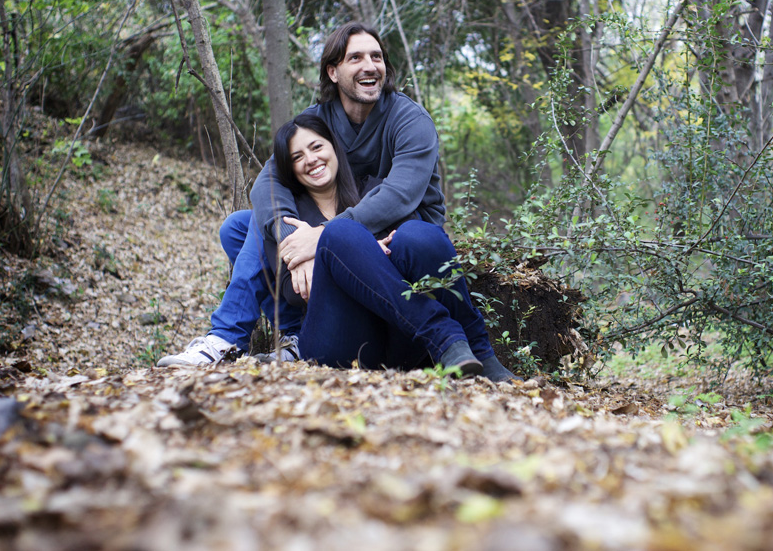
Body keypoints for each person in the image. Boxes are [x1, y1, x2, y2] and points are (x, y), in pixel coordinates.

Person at [158, 22, 513, 380]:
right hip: (339, 266)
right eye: (355, 58)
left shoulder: (409, 121)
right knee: (242, 224)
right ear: (333, 71)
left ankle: (473, 345)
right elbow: (269, 179)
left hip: (403, 238)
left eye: (376, 57)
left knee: (387, 237)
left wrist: (321, 236)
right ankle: (262, 335)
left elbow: (400, 194)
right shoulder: (321, 121)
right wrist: (291, 241)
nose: (369, 65)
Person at [265, 113, 513, 377]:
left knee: (419, 235)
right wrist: (335, 249)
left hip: (401, 339)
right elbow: (292, 293)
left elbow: (414, 246)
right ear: (289, 168)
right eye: (297, 157)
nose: (311, 159)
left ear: (335, 148)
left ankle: (479, 351)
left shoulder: (376, 193)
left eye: (316, 147)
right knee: (339, 233)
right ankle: (445, 337)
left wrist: (356, 251)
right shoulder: (290, 219)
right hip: (336, 342)